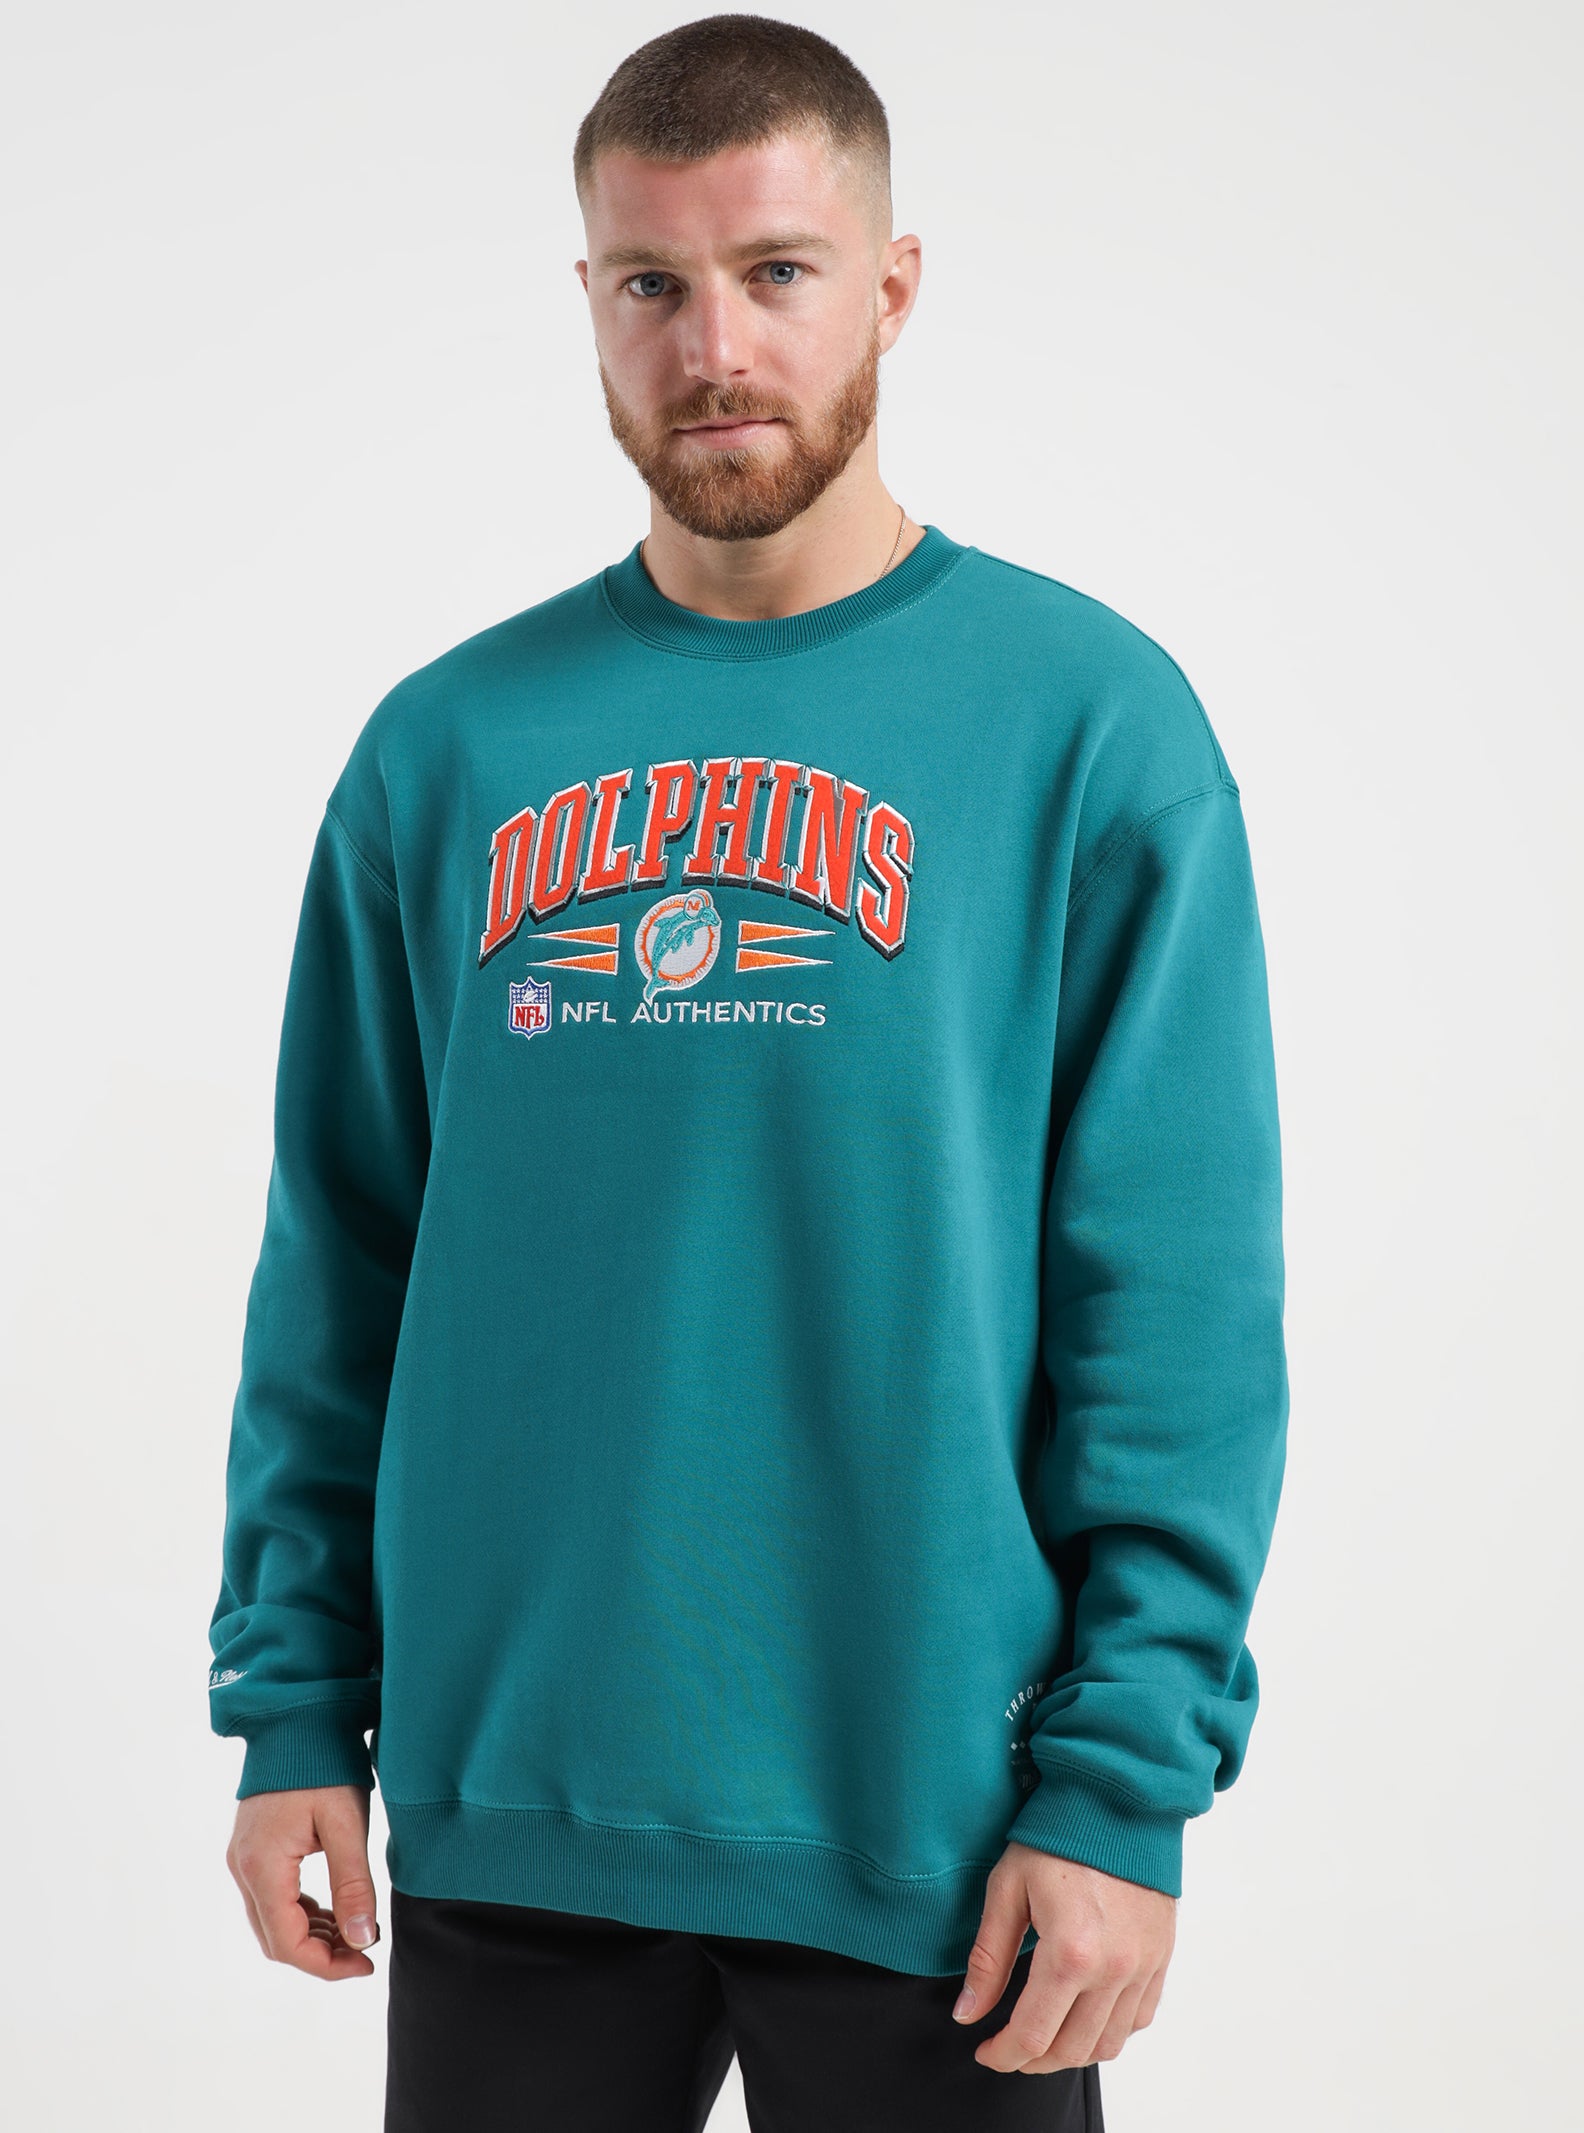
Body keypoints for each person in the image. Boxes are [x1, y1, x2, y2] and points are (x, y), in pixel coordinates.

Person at [208, 15, 1289, 2130]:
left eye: (778, 271)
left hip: (944, 1830)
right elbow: (337, 1268)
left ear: (891, 284)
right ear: (588, 297)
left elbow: (1171, 1308)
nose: (712, 347)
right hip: (513, 1798)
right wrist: (294, 1704)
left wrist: (1122, 1784)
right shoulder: (443, 749)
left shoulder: (1090, 728)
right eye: (652, 282)